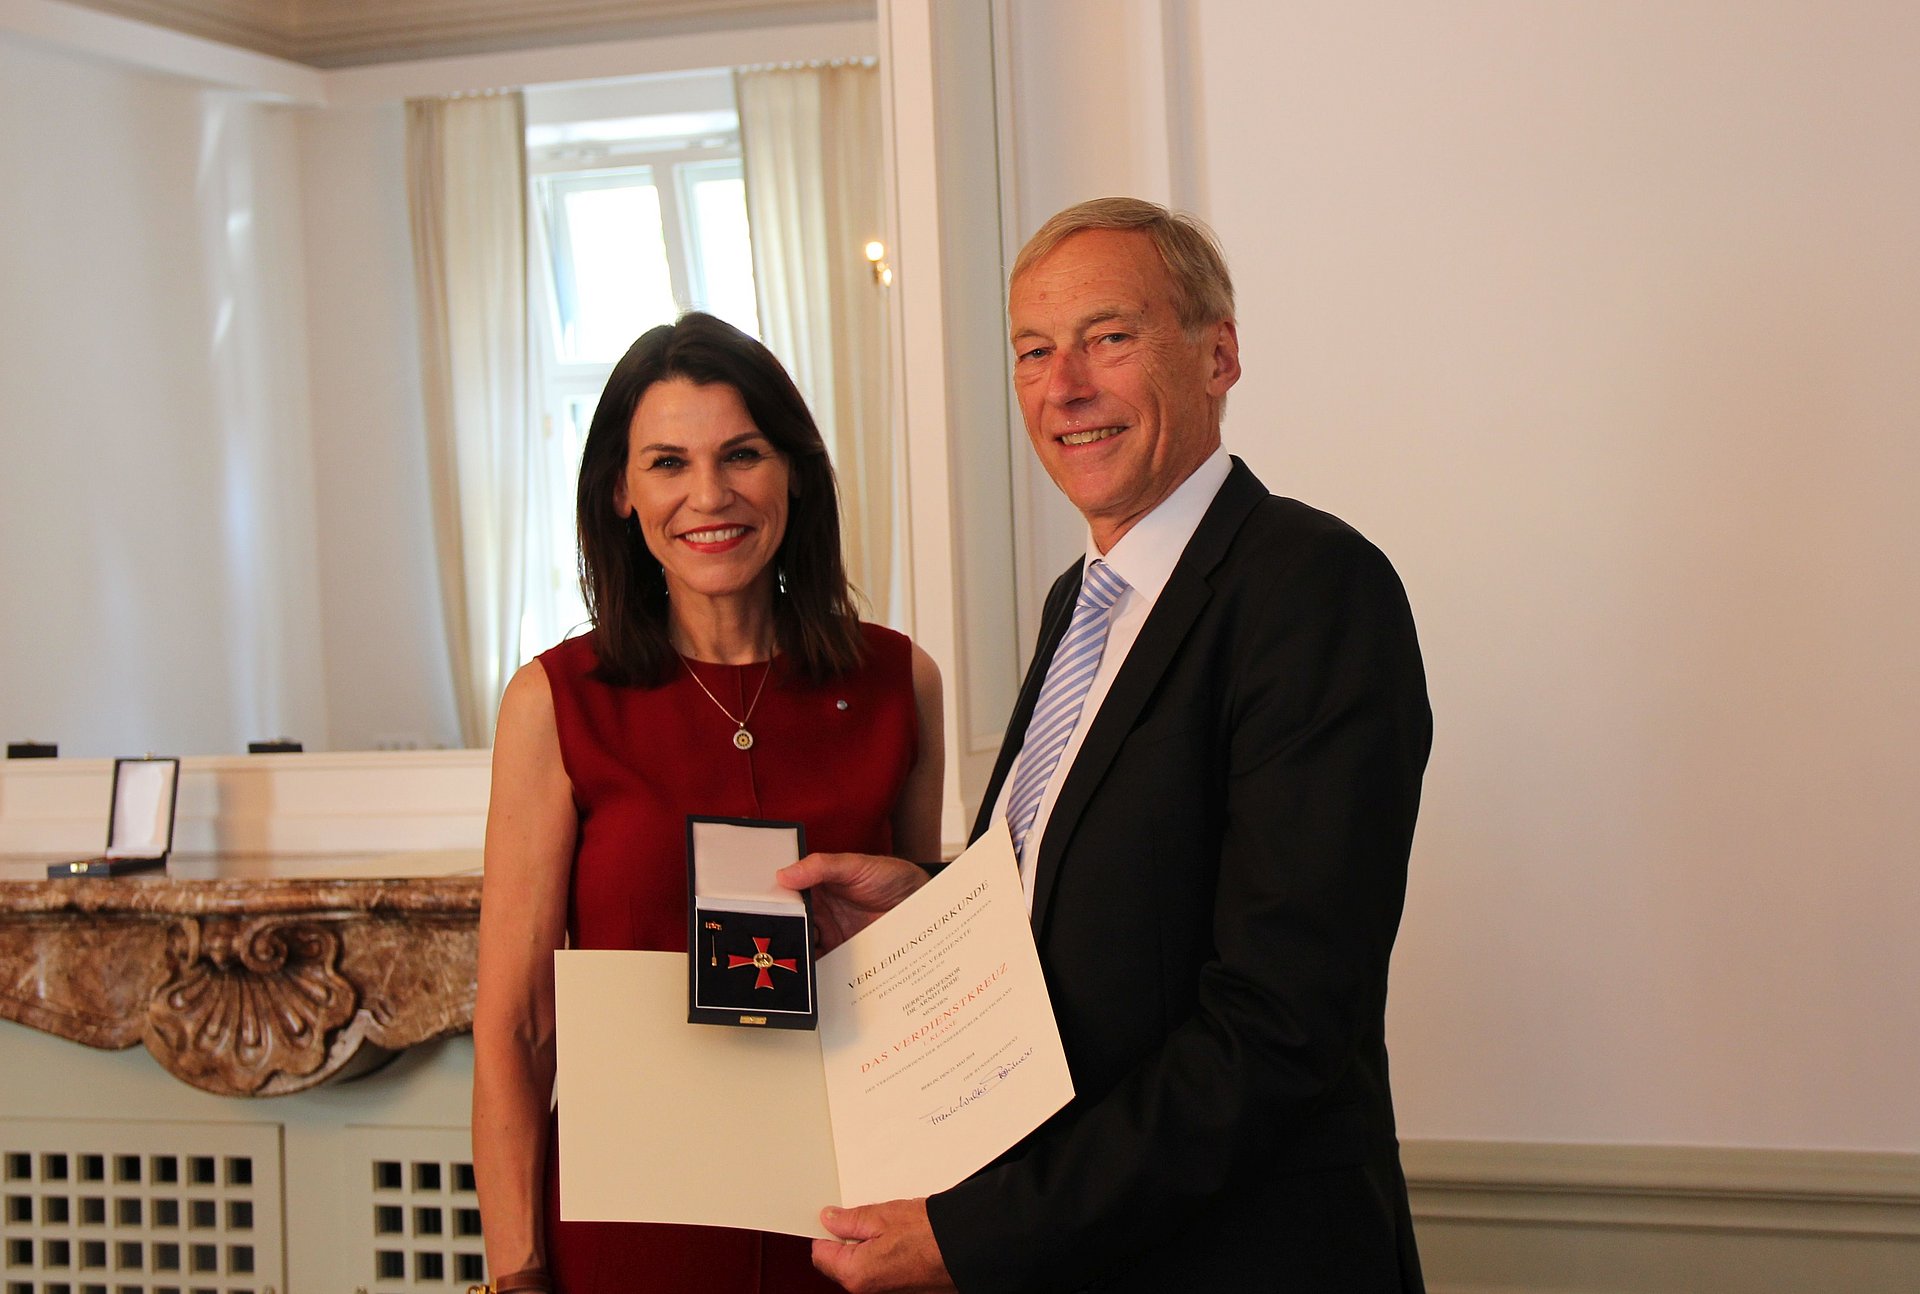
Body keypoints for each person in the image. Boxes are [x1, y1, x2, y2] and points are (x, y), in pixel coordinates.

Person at [779, 199, 1431, 1293]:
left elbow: (1281, 1028)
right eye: (1034, 351)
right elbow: (1114, 903)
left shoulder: (1312, 588)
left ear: (1218, 353)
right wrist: (931, 904)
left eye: (1109, 337)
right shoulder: (1078, 606)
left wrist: (973, 1234)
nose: (1063, 386)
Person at [472, 312, 946, 1294]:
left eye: (742, 453)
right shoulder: (556, 701)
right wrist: (513, 1275)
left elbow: (923, 986)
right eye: (666, 463)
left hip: (854, 1230)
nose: (708, 494)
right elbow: (516, 1023)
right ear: (619, 491)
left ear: (796, 473)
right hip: (635, 1225)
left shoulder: (903, 682)